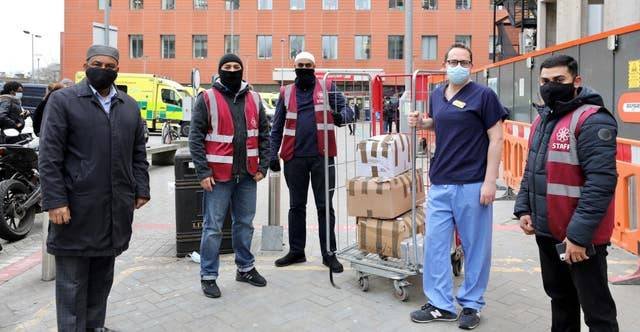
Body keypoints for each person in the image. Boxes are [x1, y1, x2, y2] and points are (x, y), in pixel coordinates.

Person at [39, 45, 150, 332]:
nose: (104, 69)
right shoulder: (63, 101)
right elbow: (49, 155)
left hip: (114, 209)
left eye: (110, 65)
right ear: (86, 64)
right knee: (72, 285)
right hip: (74, 209)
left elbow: (138, 152)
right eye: (97, 63)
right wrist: (55, 201)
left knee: (101, 282)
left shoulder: (129, 105)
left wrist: (141, 188)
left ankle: (94, 327)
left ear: (117, 69)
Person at [514, 54, 619, 331]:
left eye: (559, 80)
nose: (551, 86)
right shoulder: (542, 120)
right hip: (549, 234)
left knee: (598, 313)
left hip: (582, 241)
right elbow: (532, 169)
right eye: (545, 81)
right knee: (561, 302)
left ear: (576, 81)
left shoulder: (592, 120)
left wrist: (578, 237)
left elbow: (601, 183)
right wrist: (524, 208)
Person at [408, 43, 507, 330]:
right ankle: (441, 304)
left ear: (472, 66)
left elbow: (496, 139)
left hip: (472, 184)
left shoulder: (484, 96)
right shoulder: (437, 94)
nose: (458, 66)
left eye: (464, 62)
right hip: (440, 183)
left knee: (475, 247)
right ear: (444, 64)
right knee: (435, 246)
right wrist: (423, 121)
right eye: (453, 61)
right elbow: (441, 124)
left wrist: (490, 181)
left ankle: (471, 304)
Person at [189, 54, 271, 299]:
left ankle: (245, 268)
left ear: (242, 70)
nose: (232, 70)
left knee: (244, 225)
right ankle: (208, 276)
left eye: (236, 67)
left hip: (247, 175)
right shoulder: (207, 98)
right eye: (227, 67)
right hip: (217, 176)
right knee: (212, 228)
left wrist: (263, 166)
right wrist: (202, 172)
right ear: (219, 70)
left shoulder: (255, 98)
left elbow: (265, 136)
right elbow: (195, 138)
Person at [269, 51, 353, 273]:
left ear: (314, 67)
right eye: (300, 65)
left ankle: (329, 253)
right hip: (293, 158)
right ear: (294, 67)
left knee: (325, 206)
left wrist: (340, 117)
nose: (304, 68)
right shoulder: (285, 92)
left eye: (308, 65)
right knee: (296, 206)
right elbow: (276, 127)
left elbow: (348, 110)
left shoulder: (327, 87)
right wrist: (271, 154)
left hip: (322, 157)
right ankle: (297, 251)